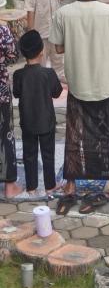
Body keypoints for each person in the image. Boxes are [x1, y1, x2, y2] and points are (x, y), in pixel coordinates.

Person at [50, 0, 109, 212]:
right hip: (106, 83)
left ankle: (70, 185)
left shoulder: (64, 13)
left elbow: (59, 48)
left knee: (75, 134)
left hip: (78, 84)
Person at [15, 33, 62, 198]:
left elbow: (16, 93)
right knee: (48, 153)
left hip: (27, 121)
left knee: (29, 154)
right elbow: (57, 93)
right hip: (46, 121)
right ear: (42, 51)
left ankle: (31, 187)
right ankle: (50, 186)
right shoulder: (48, 74)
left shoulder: (18, 75)